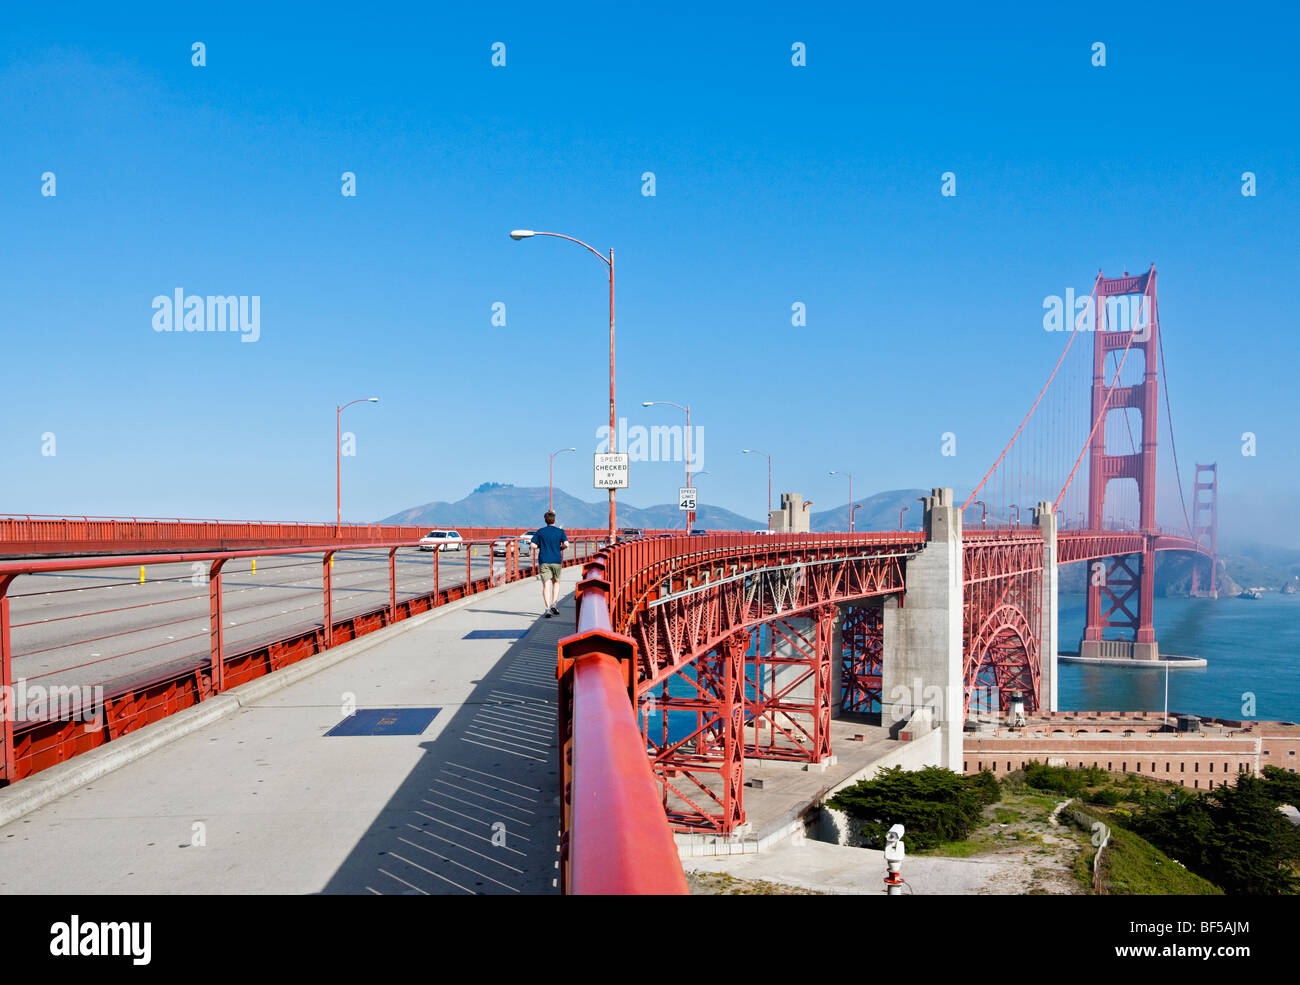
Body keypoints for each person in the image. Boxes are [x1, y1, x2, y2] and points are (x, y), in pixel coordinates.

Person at [530, 511, 568, 617]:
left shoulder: (540, 532)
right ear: (554, 520)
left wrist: (540, 547)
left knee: (546, 585)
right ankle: (554, 604)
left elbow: (532, 545)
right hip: (556, 560)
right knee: (556, 582)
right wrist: (559, 548)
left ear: (545, 520)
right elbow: (566, 544)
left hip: (544, 560)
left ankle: (547, 609)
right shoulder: (560, 532)